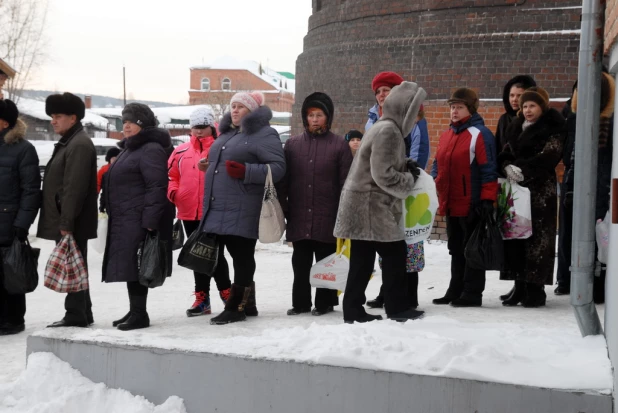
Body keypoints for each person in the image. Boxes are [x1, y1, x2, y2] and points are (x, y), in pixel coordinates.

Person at [334, 81, 426, 323]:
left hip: (362, 202)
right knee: (396, 254)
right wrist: (409, 177)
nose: (416, 116)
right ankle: (397, 308)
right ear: (404, 110)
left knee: (362, 261)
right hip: (371, 204)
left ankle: (353, 310)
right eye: (414, 110)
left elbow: (376, 164)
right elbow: (383, 174)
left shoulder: (382, 127)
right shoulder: (389, 131)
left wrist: (405, 165)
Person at [203, 91, 285, 325]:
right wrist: (209, 166)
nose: (235, 110)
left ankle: (236, 307)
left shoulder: (264, 133)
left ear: (252, 111)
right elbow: (224, 162)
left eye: (241, 106)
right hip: (220, 206)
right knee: (233, 254)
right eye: (233, 106)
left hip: (245, 205)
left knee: (241, 255)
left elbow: (278, 168)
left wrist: (246, 172)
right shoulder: (228, 133)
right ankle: (248, 304)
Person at [102, 103, 174, 331]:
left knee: (138, 265)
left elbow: (157, 186)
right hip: (126, 217)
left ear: (142, 125)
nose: (127, 126)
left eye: (131, 122)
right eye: (124, 122)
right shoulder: (129, 149)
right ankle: (135, 310)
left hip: (139, 218)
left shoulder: (150, 149)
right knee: (131, 266)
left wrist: (150, 221)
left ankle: (140, 314)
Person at [280, 92, 352, 316]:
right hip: (299, 214)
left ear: (327, 118)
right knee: (300, 264)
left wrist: (343, 213)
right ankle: (300, 303)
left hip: (327, 215)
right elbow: (283, 180)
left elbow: (346, 182)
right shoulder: (292, 145)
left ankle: (325, 303)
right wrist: (284, 207)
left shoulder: (339, 145)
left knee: (325, 261)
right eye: (310, 115)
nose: (314, 119)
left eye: (319, 115)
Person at [498, 87, 566, 307]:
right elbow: (505, 152)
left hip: (540, 192)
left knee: (538, 240)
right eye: (525, 105)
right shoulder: (515, 127)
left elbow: (550, 155)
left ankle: (535, 289)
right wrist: (507, 166)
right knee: (516, 236)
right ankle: (519, 286)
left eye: (532, 105)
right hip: (515, 190)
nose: (527, 109)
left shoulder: (552, 128)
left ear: (542, 107)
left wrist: (524, 170)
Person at [431, 88, 498, 307]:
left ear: (470, 109)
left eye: (459, 107)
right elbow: (437, 164)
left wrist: (487, 200)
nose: (454, 111)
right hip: (450, 202)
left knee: (472, 251)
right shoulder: (447, 134)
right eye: (452, 107)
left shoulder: (480, 134)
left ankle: (472, 292)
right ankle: (455, 289)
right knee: (456, 249)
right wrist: (434, 181)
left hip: (472, 203)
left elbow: (488, 169)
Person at [38, 92, 98, 328]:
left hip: (72, 220)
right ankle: (84, 312)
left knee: (73, 266)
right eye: (52, 116)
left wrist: (66, 223)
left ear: (73, 118)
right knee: (77, 265)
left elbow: (74, 188)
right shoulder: (70, 141)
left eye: (58, 116)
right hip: (69, 218)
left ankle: (75, 314)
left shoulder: (79, 144)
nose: (53, 120)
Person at [167, 106, 231, 316]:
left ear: (211, 126)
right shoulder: (181, 151)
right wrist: (174, 193)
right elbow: (171, 176)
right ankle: (202, 298)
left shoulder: (221, 148)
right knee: (196, 253)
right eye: (195, 127)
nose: (199, 131)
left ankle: (227, 293)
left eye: (203, 126)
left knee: (215, 254)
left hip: (213, 210)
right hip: (188, 211)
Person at [561, 73, 614, 301]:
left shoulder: (610, 122)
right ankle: (575, 283)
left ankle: (599, 288)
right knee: (577, 237)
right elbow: (571, 157)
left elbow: (606, 161)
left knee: (600, 239)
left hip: (601, 190)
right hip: (577, 187)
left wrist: (602, 193)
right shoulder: (574, 119)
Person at [0, 100, 41, 335]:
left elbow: (31, 190)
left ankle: (14, 320)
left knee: (11, 271)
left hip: (10, 221)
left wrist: (22, 224)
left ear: (5, 122)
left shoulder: (23, 149)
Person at [366, 71, 430, 168]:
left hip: (401, 177)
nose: (381, 94)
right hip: (375, 177)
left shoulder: (412, 117)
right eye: (378, 92)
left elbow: (419, 153)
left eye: (385, 90)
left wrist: (411, 177)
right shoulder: (372, 119)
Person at [495, 75, 537, 152]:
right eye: (512, 95)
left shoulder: (534, 119)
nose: (514, 99)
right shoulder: (504, 119)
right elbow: (498, 145)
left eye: (519, 95)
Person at [98, 147, 120, 214]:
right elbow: (97, 184)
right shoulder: (103, 170)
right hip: (106, 201)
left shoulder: (122, 169)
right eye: (113, 158)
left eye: (116, 158)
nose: (114, 160)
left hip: (119, 201)